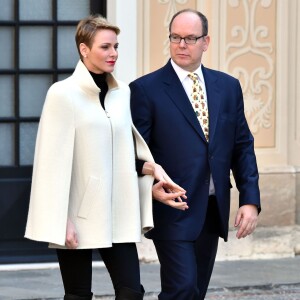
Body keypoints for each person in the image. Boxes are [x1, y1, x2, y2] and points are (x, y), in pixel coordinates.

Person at [25, 15, 188, 300]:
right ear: (84, 49)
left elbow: (124, 150)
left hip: (118, 211)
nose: (113, 53)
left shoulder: (122, 92)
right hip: (77, 212)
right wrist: (60, 219)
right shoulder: (62, 94)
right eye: (105, 47)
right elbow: (50, 164)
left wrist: (151, 168)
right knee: (77, 294)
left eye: (116, 46)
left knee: (131, 292)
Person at [130, 8, 261, 300]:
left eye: (190, 38)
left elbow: (242, 146)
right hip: (173, 208)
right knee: (182, 288)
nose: (181, 45)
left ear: (206, 41)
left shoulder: (227, 87)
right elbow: (134, 153)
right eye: (175, 37)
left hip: (212, 210)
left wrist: (250, 199)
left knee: (195, 292)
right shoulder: (145, 90)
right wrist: (152, 188)